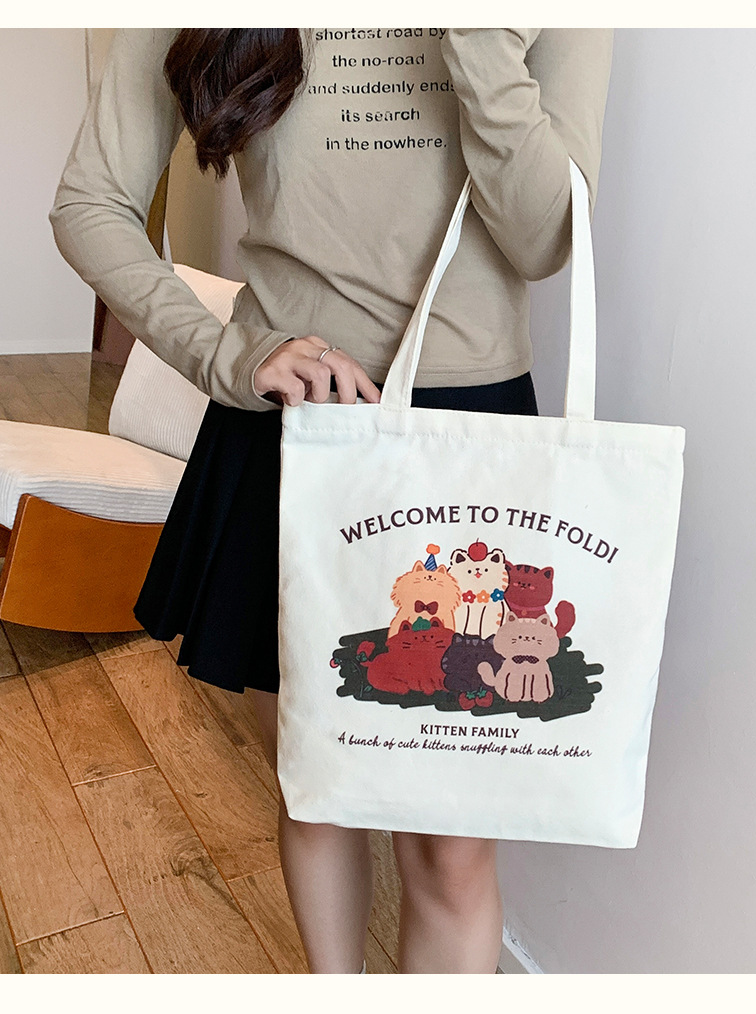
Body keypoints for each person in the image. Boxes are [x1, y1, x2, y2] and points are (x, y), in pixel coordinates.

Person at [50, 27, 613, 974]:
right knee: (320, 794)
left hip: (468, 443)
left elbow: (546, 238)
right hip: (293, 422)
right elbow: (89, 203)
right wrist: (226, 351)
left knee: (454, 849)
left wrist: (478, 39)